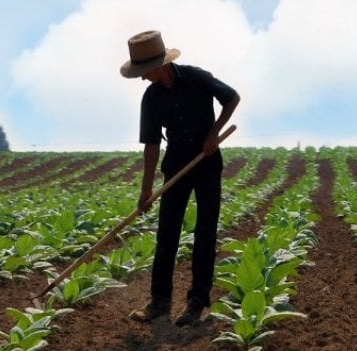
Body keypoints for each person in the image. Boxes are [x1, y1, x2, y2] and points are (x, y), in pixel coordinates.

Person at [120, 30, 240, 327]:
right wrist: (146, 190)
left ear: (159, 64)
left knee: (205, 232)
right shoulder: (150, 98)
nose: (141, 77)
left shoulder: (196, 77)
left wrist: (213, 134)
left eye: (143, 72)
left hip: (207, 163)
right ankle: (160, 302)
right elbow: (151, 145)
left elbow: (231, 97)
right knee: (167, 235)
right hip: (175, 166)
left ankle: (196, 302)